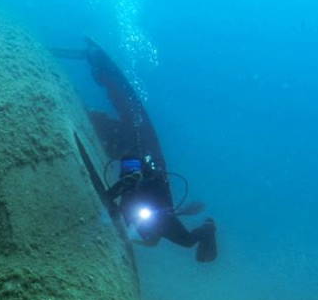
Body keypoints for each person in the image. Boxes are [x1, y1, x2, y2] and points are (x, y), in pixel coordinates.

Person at [78, 38, 218, 263]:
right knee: (173, 233)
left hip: (156, 208)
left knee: (187, 240)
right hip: (151, 203)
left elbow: (150, 239)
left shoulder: (137, 162)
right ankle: (103, 73)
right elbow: (131, 173)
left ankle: (208, 230)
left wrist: (108, 202)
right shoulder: (133, 158)